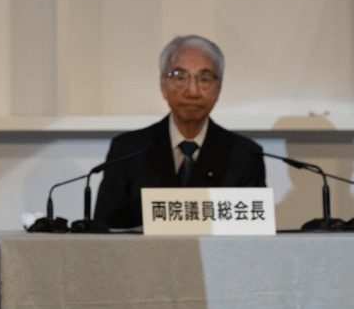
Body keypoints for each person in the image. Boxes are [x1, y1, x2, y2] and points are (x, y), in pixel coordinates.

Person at [93, 35, 264, 229]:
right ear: (163, 85)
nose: (192, 91)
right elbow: (103, 231)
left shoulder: (245, 155)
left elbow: (252, 237)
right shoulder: (128, 150)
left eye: (204, 78)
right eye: (179, 77)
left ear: (219, 88)